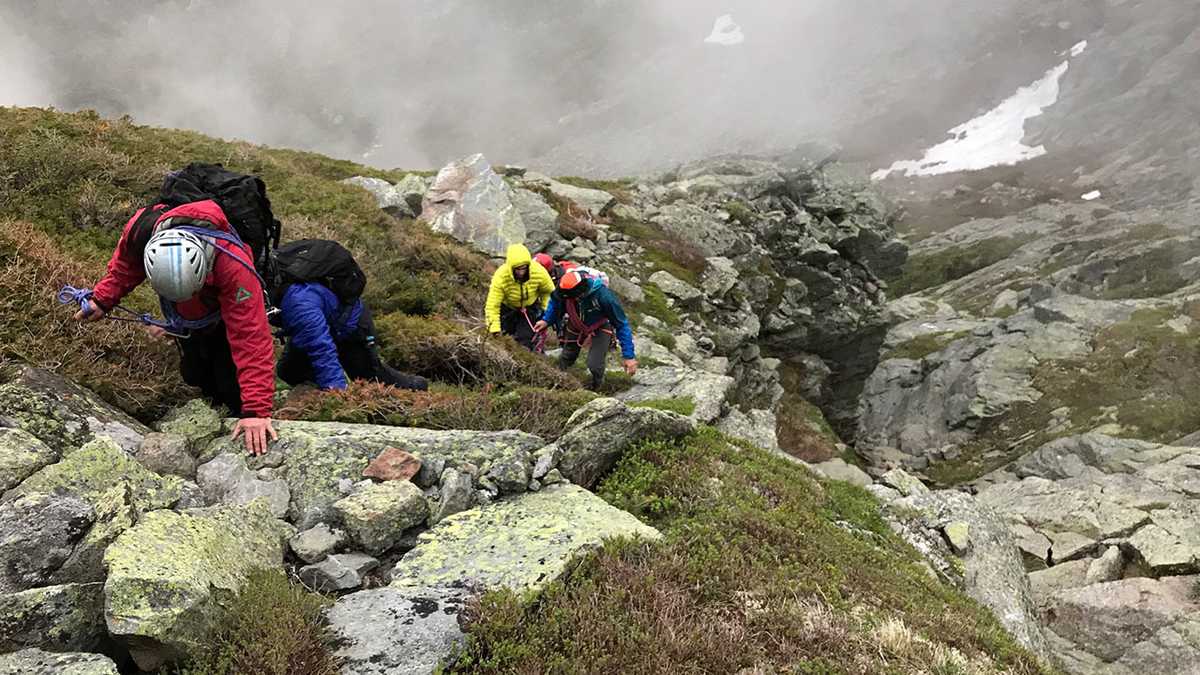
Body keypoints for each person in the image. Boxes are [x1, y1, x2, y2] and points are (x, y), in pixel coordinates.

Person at [73, 200, 277, 455]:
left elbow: (251, 337)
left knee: (229, 380)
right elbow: (126, 267)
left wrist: (256, 411)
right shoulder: (141, 231)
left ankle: (233, 409)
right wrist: (102, 300)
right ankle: (213, 402)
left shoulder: (232, 262)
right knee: (194, 373)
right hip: (185, 316)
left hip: (219, 310)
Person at [275, 281, 429, 392]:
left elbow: (322, 349)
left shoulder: (300, 304)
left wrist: (338, 397)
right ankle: (318, 391)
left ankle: (416, 386)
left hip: (351, 327)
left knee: (371, 381)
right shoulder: (272, 288)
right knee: (288, 371)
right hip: (317, 325)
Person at [535, 268, 637, 390]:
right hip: (575, 323)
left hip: (600, 326)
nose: (570, 299)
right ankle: (556, 380)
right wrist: (546, 320)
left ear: (580, 293)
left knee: (594, 364)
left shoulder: (604, 297)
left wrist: (629, 356)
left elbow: (621, 325)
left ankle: (597, 387)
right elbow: (555, 303)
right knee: (566, 356)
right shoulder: (563, 291)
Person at [485, 243, 555, 351]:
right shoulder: (501, 276)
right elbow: (492, 304)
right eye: (518, 269)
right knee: (504, 338)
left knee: (525, 341)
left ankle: (526, 358)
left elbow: (549, 293)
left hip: (529, 309)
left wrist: (546, 313)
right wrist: (494, 329)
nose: (521, 272)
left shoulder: (539, 272)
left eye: (524, 268)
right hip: (508, 309)